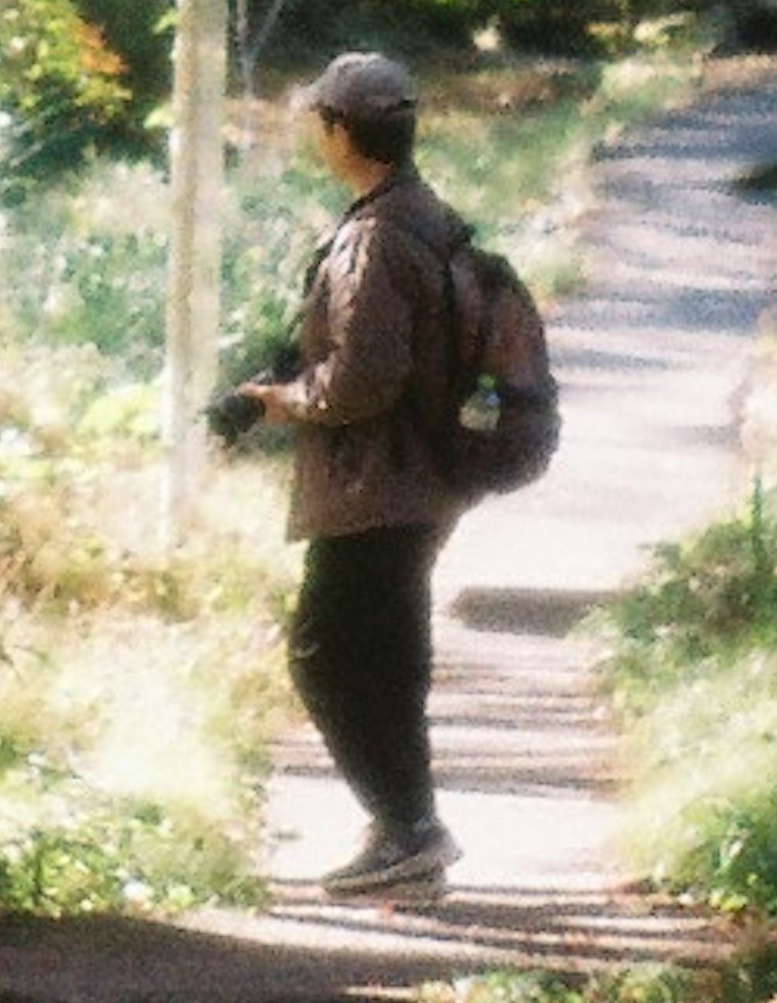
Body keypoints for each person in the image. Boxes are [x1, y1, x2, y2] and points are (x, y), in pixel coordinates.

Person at [219, 49, 557, 895]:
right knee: (392, 662)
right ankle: (405, 836)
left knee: (322, 655)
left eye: (320, 121)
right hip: (427, 481)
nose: (317, 134)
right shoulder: (425, 215)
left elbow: (363, 380)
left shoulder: (374, 239)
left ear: (342, 131)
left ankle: (409, 826)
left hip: (378, 485)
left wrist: (275, 400)